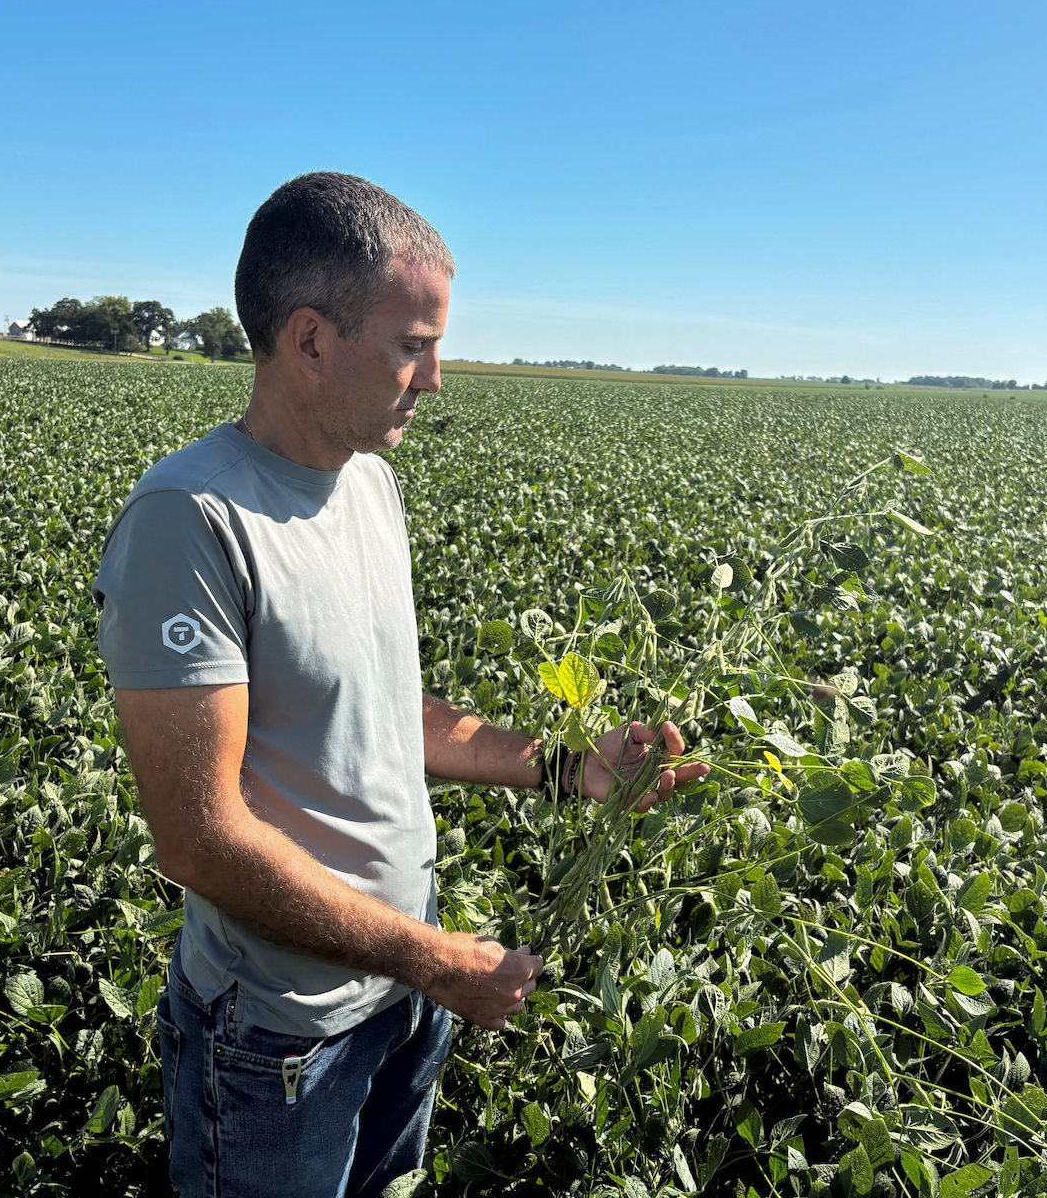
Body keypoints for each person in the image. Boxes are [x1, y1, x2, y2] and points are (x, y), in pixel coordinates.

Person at [93, 172, 708, 1198]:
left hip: (403, 988)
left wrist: (572, 768)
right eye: (413, 344)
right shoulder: (190, 517)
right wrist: (430, 958)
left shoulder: (368, 482)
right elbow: (198, 835)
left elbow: (385, 716)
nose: (434, 379)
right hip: (281, 1035)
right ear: (310, 340)